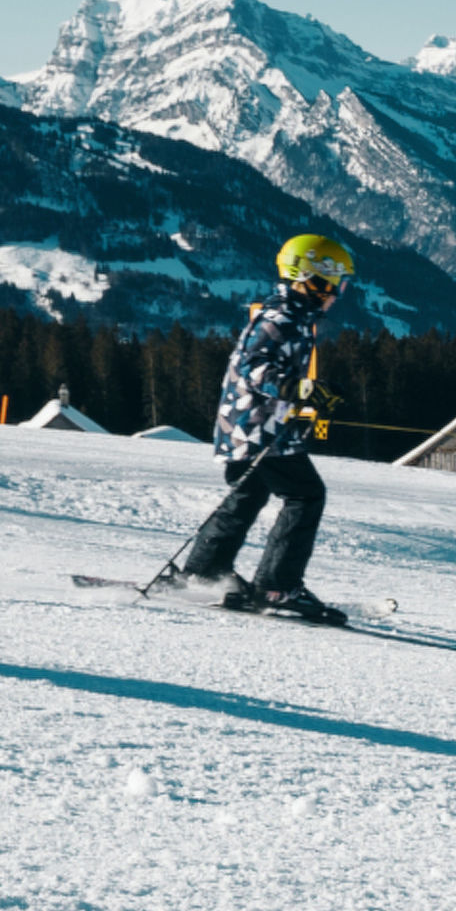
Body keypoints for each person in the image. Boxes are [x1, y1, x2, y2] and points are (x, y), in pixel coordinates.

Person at [171, 233, 352, 622]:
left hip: (250, 425)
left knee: (248, 495)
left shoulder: (294, 316)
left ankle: (204, 572)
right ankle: (277, 586)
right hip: (257, 428)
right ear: (309, 277)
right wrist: (299, 388)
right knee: (306, 495)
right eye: (334, 281)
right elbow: (253, 367)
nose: (338, 291)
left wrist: (310, 392)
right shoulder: (280, 318)